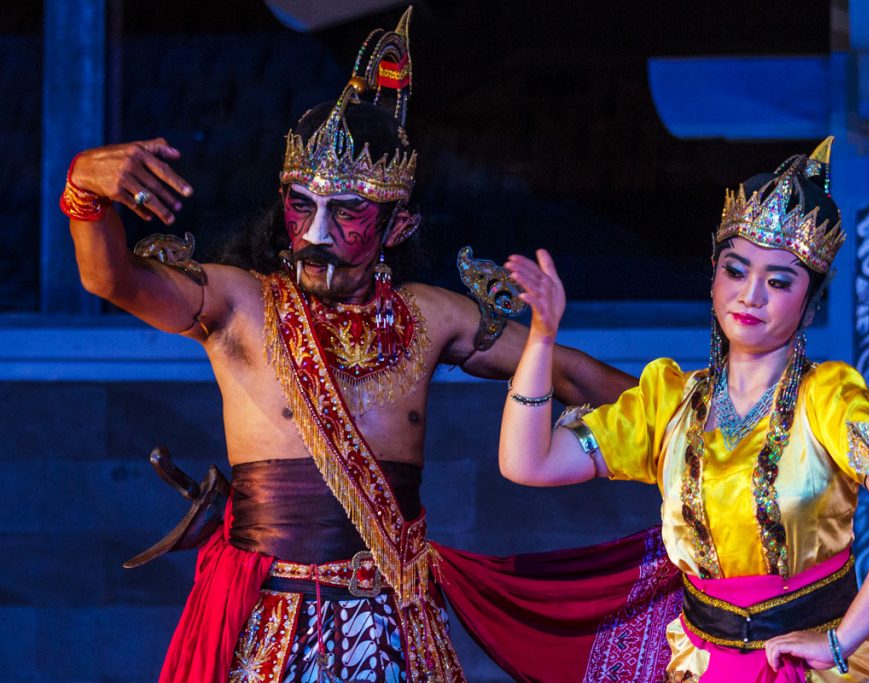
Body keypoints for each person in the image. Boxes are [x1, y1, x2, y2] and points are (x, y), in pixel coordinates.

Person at [61, 9, 633, 683]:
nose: (316, 230)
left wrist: (707, 419)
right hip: (271, 626)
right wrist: (82, 192)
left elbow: (573, 373)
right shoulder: (241, 304)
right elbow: (111, 277)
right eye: (302, 205)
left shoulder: (431, 316)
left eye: (349, 211)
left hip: (395, 623)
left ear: (400, 224)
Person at [497, 138, 869, 682]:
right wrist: (542, 339)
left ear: (809, 306)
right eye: (736, 271)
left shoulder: (827, 398)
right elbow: (528, 463)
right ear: (713, 277)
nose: (751, 295)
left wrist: (839, 640)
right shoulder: (669, 402)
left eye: (779, 282)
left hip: (811, 669)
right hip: (705, 665)